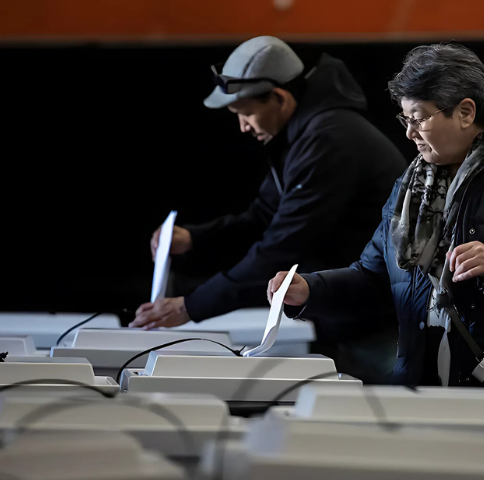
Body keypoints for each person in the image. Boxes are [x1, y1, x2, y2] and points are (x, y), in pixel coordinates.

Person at [268, 43, 484, 471]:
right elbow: (374, 276)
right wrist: (308, 290)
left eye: (419, 118)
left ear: (465, 112)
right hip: (425, 392)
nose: (409, 133)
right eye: (405, 119)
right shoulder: (409, 185)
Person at [129, 36, 407, 383]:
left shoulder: (329, 139)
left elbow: (281, 246)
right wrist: (194, 239)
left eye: (246, 112)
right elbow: (263, 216)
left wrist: (191, 306)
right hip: (345, 313)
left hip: (376, 322)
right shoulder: (305, 135)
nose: (243, 126)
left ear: (278, 97)